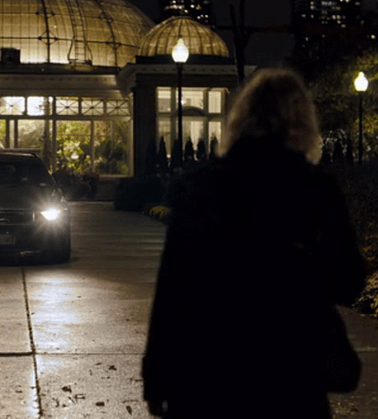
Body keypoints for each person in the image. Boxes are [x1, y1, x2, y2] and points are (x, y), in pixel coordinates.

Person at [142, 67, 366, 418]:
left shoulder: (199, 187)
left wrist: (156, 378)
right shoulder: (315, 188)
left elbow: (173, 288)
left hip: (207, 371)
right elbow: (348, 280)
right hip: (290, 370)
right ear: (302, 121)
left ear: (241, 117)